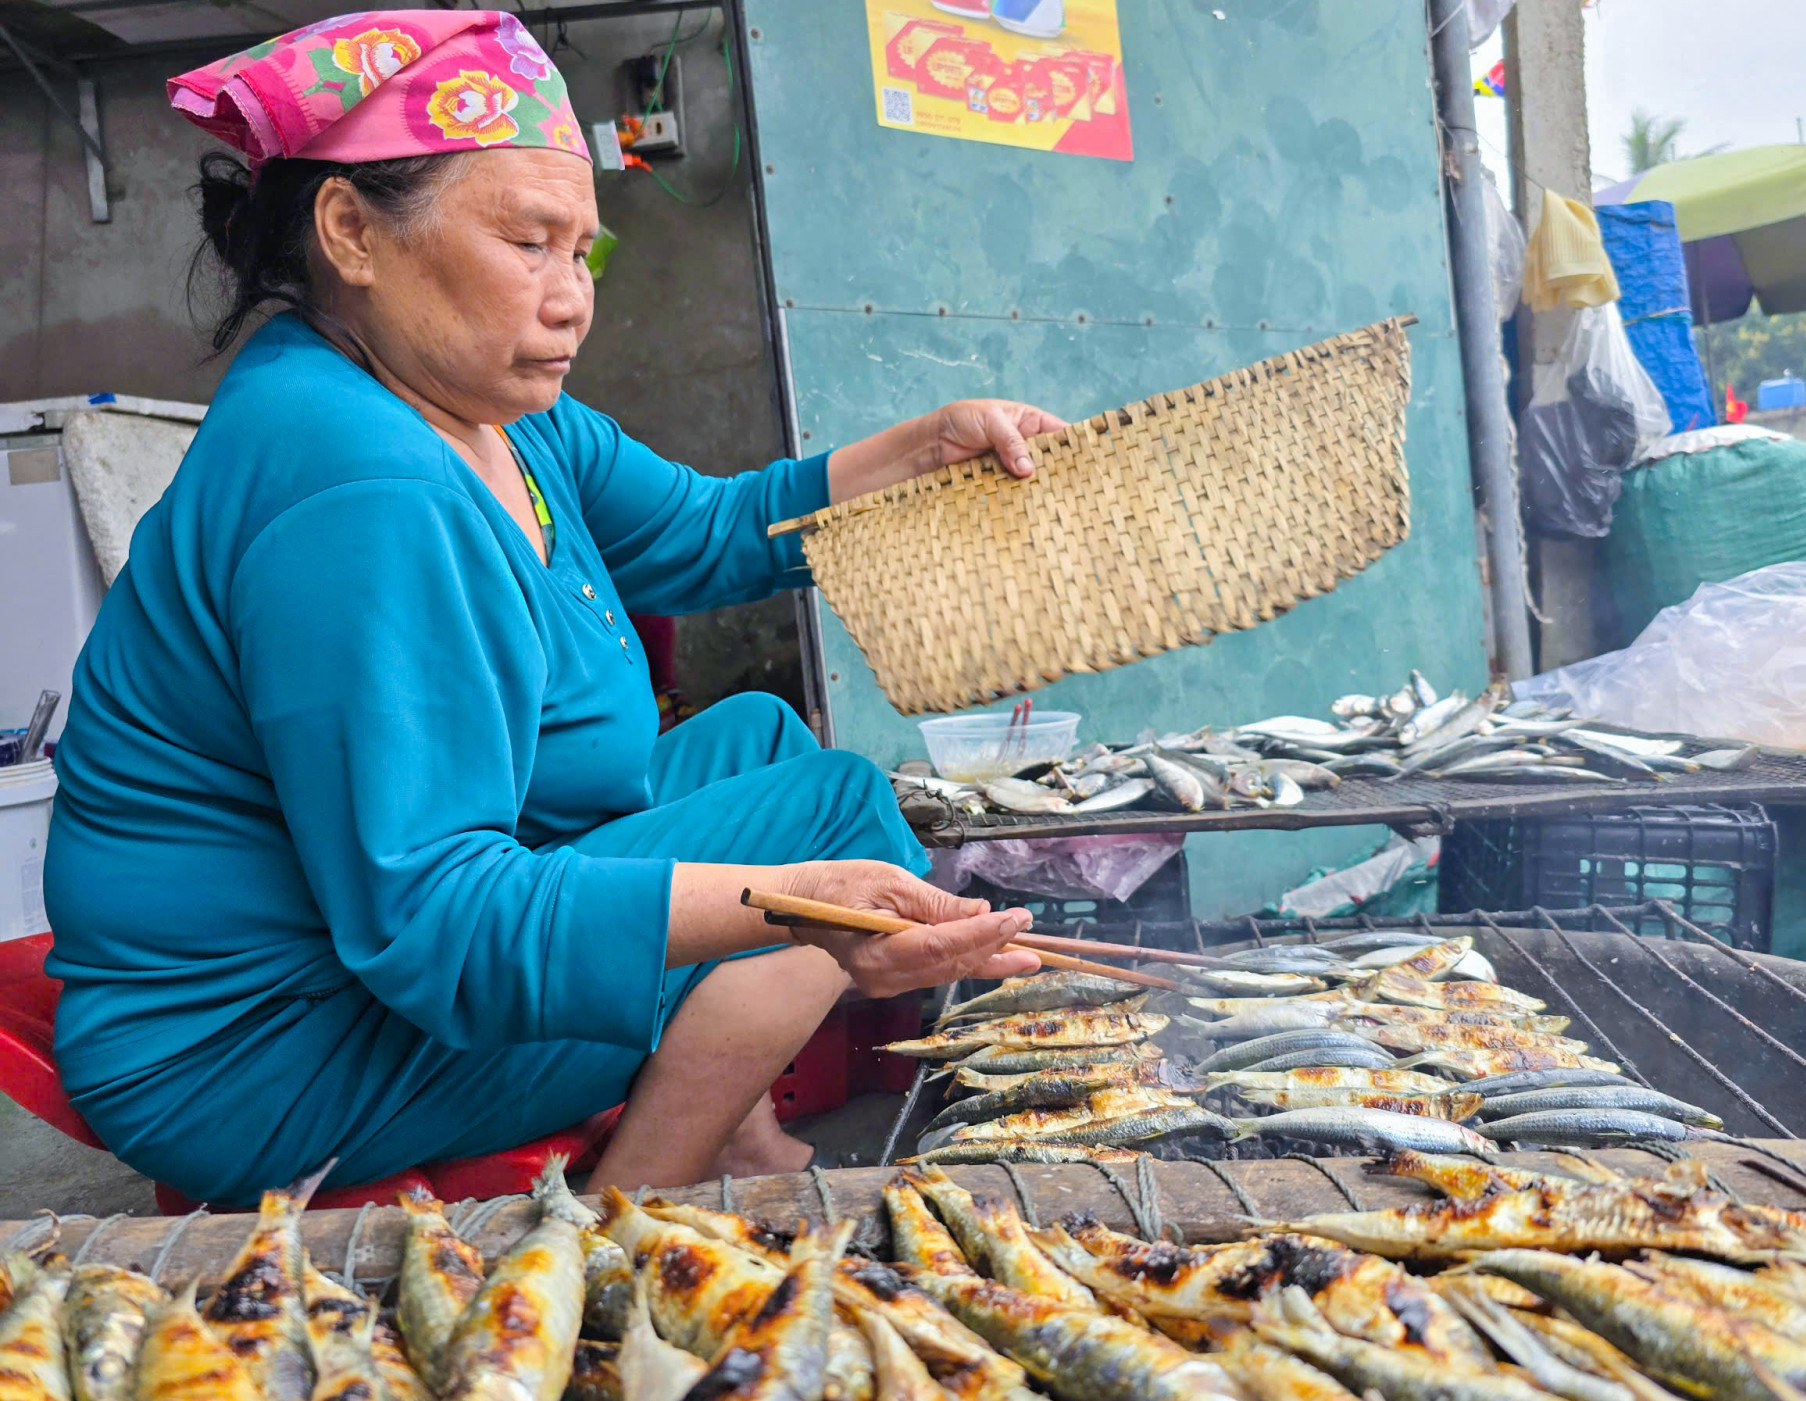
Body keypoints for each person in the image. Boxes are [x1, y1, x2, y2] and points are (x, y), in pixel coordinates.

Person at [44, 10, 1065, 1205]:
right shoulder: (362, 481)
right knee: (829, 823)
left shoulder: (492, 414)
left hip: (358, 958)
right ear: (350, 233)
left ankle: (727, 1132)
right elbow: (435, 926)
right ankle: (629, 1212)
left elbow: (708, 532)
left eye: (584, 253)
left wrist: (916, 453)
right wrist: (799, 904)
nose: (571, 297)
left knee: (765, 747)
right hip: (262, 1049)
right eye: (528, 242)